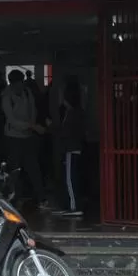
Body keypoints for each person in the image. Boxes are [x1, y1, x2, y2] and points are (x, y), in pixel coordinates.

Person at [1, 69, 46, 207]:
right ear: (12, 83)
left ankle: (41, 198)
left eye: (21, 83)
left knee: (34, 168)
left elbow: (34, 110)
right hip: (13, 137)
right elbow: (12, 120)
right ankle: (15, 198)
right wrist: (32, 126)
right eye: (17, 84)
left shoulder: (27, 92)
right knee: (15, 170)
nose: (20, 86)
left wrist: (31, 125)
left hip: (28, 136)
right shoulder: (6, 97)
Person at [57, 83, 86, 218]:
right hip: (74, 148)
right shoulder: (77, 112)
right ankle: (71, 204)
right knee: (73, 177)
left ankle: (74, 206)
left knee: (70, 179)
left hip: (71, 148)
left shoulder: (72, 114)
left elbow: (67, 132)